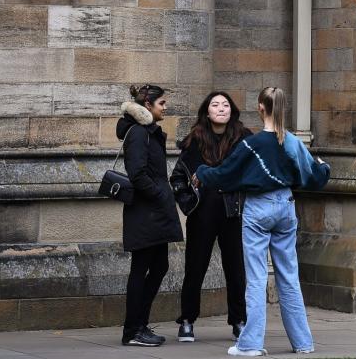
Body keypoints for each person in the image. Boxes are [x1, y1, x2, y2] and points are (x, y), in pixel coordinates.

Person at [195, 87, 331, 357]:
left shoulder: (252, 143)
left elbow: (224, 174)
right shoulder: (291, 141)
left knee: (256, 279)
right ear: (283, 107)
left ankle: (250, 344)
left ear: (260, 107)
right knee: (289, 277)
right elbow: (316, 175)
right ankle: (303, 343)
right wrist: (324, 167)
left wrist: (201, 171)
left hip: (258, 208)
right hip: (286, 207)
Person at [169, 91, 251, 343]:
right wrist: (188, 203)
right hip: (202, 213)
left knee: (236, 269)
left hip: (232, 212)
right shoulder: (195, 139)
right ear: (207, 111)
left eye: (225, 104)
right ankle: (187, 320)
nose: (221, 108)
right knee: (195, 267)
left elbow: (253, 172)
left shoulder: (243, 139)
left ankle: (239, 320)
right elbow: (177, 178)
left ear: (232, 110)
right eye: (215, 104)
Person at [116, 84, 184, 347]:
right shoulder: (138, 133)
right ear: (148, 106)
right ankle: (133, 330)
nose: (165, 108)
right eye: (162, 103)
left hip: (154, 212)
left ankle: (139, 325)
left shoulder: (147, 132)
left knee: (159, 266)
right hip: (146, 213)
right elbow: (137, 174)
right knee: (141, 268)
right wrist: (160, 195)